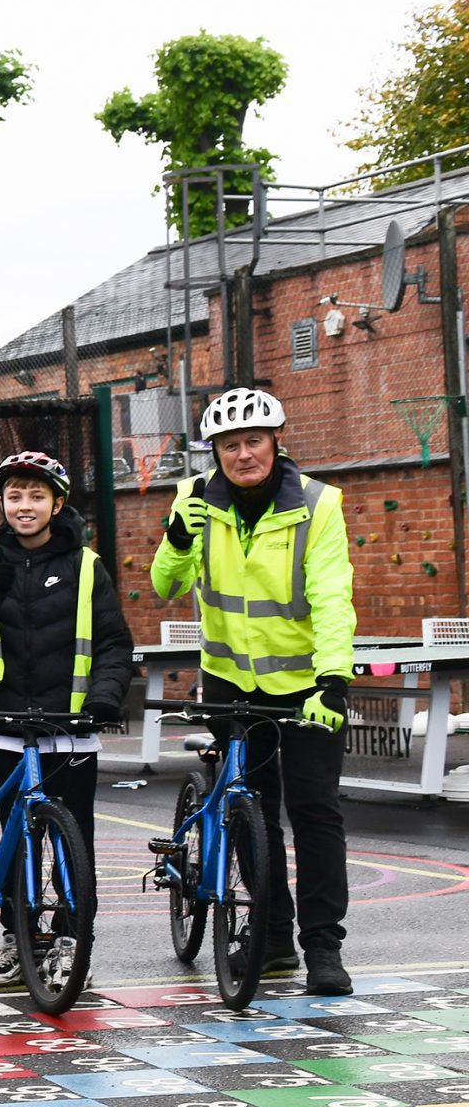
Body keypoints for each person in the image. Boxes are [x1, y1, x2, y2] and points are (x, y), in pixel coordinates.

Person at [150, 387, 357, 996]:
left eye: (254, 442)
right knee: (253, 815)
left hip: (304, 689)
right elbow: (165, 584)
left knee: (315, 811)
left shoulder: (319, 505)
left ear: (276, 442)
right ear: (215, 453)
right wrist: (178, 539)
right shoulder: (194, 498)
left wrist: (333, 680)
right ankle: (271, 941)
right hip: (231, 685)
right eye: (230, 445)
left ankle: (323, 947)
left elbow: (331, 597)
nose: (243, 455)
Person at [0, 452, 135, 990]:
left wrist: (103, 697)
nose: (24, 506)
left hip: (71, 729)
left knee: (74, 847)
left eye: (36, 495)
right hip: (8, 728)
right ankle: (17, 938)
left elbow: (114, 643)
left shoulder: (86, 565)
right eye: (14, 496)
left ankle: (73, 942)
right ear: (1, 504)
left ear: (57, 503)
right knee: (17, 844)